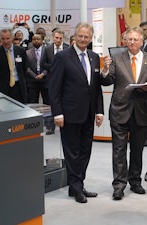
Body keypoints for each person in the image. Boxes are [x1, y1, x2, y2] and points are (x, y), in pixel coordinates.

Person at [48, 22, 104, 204]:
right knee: (72, 152)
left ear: (91, 38)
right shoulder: (63, 57)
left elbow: (95, 88)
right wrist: (57, 113)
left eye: (86, 36)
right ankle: (76, 188)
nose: (83, 39)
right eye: (80, 35)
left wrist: (99, 111)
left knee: (85, 151)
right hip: (69, 114)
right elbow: (54, 88)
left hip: (88, 114)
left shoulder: (94, 57)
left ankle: (78, 184)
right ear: (74, 36)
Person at [100, 26, 147, 200]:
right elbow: (107, 81)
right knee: (119, 149)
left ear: (141, 42)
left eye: (135, 39)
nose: (132, 42)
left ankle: (135, 181)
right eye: (129, 39)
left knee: (137, 149)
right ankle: (119, 185)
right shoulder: (116, 58)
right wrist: (105, 70)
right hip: (120, 110)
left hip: (141, 110)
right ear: (124, 41)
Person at [41, 28, 69, 135]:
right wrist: (54, 67)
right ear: (53, 38)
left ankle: (66, 123)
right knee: (51, 103)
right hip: (51, 80)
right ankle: (50, 127)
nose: (58, 40)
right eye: (56, 38)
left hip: (66, 81)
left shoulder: (67, 48)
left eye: (60, 38)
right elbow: (43, 63)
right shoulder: (48, 49)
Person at [0, 28, 28, 103]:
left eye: (8, 38)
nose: (5, 41)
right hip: (3, 88)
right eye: (3, 39)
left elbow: (24, 69)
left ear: (12, 38)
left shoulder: (21, 51)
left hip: (18, 87)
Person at [26, 34, 48, 104]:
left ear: (42, 41)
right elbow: (26, 67)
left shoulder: (47, 51)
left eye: (38, 39)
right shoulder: (27, 52)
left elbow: (49, 64)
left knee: (47, 102)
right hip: (32, 81)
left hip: (45, 80)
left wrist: (43, 74)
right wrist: (34, 75)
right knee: (32, 102)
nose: (36, 41)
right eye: (34, 39)